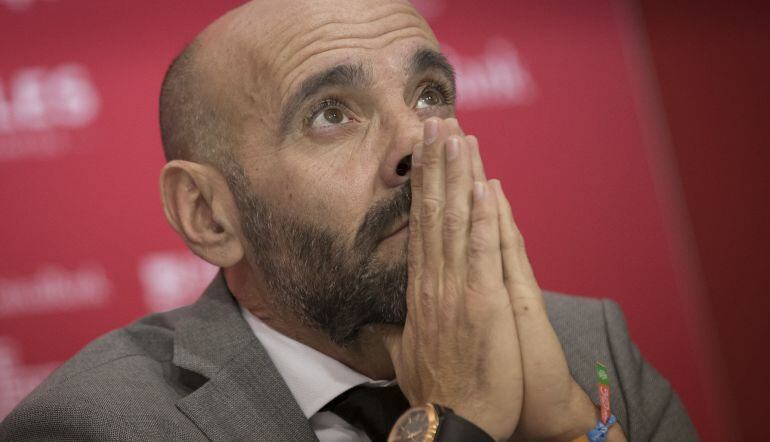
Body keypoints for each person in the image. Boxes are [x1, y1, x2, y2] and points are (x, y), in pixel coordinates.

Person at [0, 0, 697, 440]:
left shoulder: (584, 346)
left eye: (429, 96)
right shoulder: (100, 423)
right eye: (331, 113)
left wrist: (576, 430)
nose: (417, 148)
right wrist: (454, 423)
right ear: (209, 215)